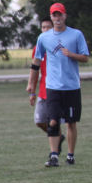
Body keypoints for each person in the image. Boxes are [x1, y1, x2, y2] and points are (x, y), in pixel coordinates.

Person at [28, 2, 89, 167]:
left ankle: (70, 155)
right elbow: (36, 61)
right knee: (52, 121)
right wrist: (31, 84)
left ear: (65, 16)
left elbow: (85, 57)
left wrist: (72, 55)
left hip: (72, 86)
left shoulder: (76, 35)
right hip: (52, 86)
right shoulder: (44, 38)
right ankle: (54, 156)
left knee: (71, 122)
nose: (57, 18)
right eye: (54, 15)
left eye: (59, 14)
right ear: (51, 17)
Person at [26, 18, 64, 154]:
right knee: (39, 121)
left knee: (54, 121)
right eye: (43, 27)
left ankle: (55, 150)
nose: (46, 29)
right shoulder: (38, 48)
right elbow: (35, 70)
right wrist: (32, 89)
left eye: (48, 27)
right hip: (43, 90)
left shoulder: (59, 46)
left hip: (57, 89)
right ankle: (59, 136)